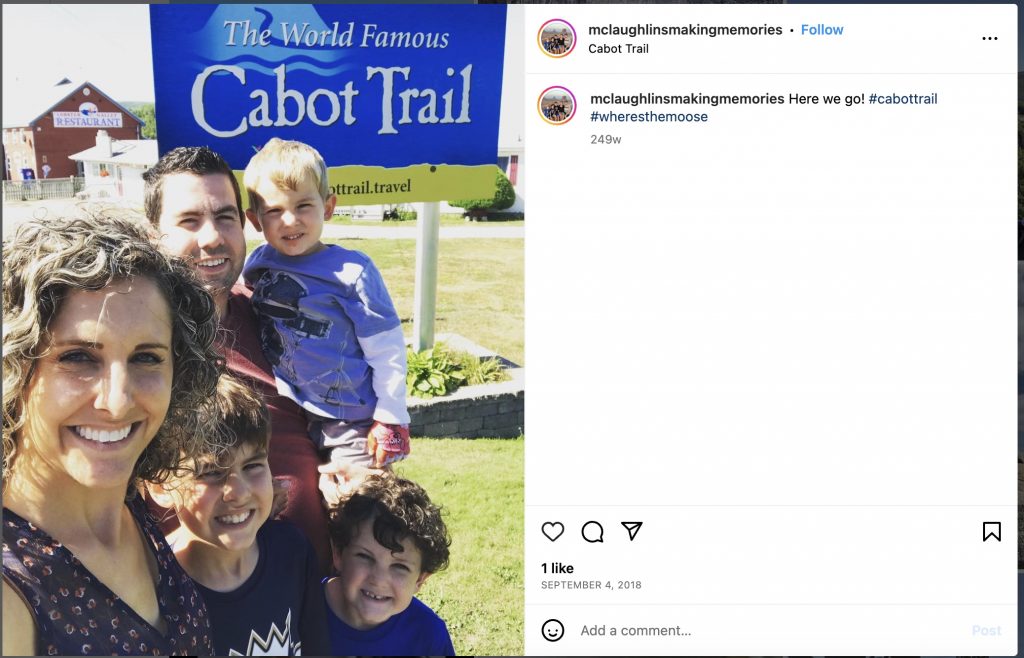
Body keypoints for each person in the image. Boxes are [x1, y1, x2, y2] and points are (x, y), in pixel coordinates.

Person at [2, 213, 223, 656]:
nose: (118, 401)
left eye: (146, 358)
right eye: (79, 357)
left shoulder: (128, 504)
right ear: (13, 368)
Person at [142, 146, 351, 575]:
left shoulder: (278, 311)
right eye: (188, 221)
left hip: (313, 582)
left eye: (225, 217)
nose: (212, 237)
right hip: (199, 596)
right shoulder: (135, 341)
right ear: (151, 235)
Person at [241, 138, 411, 476]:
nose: (289, 221)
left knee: (360, 505)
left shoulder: (352, 272)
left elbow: (387, 349)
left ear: (328, 207)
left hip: (350, 417)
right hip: (287, 411)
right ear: (255, 219)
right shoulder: (259, 263)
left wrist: (391, 416)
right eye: (274, 210)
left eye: (303, 205)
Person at [147, 374, 329, 656]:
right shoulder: (154, 593)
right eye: (211, 472)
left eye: (253, 465)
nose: (238, 492)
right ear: (161, 486)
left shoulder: (292, 552)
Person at [324, 472, 454, 656]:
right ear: (338, 553)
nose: (378, 580)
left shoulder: (428, 636)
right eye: (365, 557)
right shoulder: (301, 609)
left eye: (400, 567)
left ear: (420, 580)